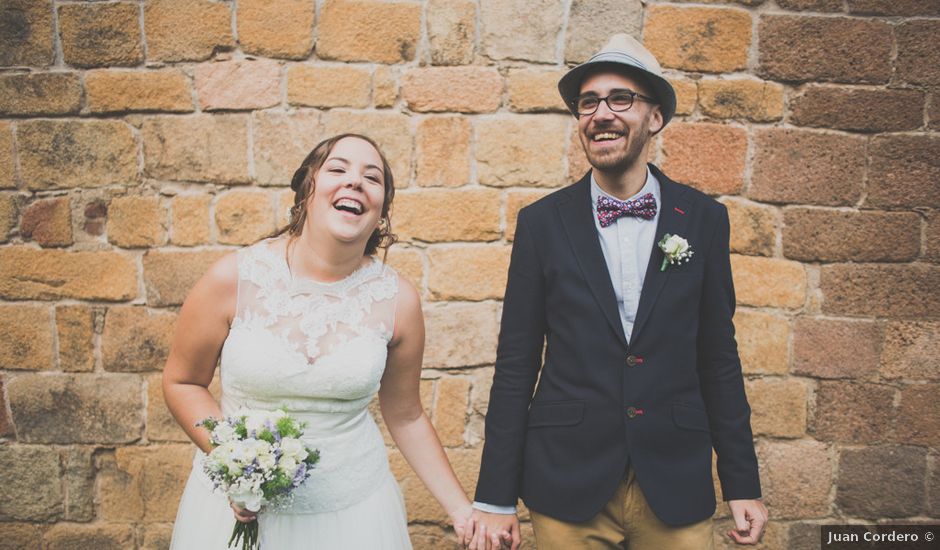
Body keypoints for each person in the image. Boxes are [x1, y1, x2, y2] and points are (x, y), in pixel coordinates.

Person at [467, 35, 768, 550]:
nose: (601, 113)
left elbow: (718, 357)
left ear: (655, 117)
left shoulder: (704, 220)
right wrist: (495, 498)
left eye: (620, 99)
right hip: (567, 482)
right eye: (589, 102)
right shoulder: (541, 224)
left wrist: (742, 482)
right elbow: (516, 361)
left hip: (675, 480)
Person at [164, 134, 474, 549]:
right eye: (338, 169)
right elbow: (182, 382)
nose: (355, 182)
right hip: (234, 514)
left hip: (354, 516)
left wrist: (463, 512)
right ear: (307, 188)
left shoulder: (397, 300)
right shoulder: (233, 278)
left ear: (381, 211)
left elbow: (406, 415)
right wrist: (234, 462)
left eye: (372, 177)